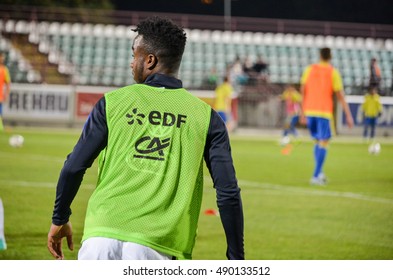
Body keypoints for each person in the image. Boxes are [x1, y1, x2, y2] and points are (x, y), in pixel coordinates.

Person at [47, 16, 244, 260]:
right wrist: (236, 257)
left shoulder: (112, 103)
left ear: (150, 60)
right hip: (158, 245)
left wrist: (60, 218)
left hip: (99, 239)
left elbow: (73, 167)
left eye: (134, 55)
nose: (131, 63)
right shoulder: (206, 117)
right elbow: (228, 192)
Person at [300, 47, 354, 186]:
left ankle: (320, 172)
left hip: (310, 111)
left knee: (318, 142)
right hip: (323, 112)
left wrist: (302, 111)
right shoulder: (332, 72)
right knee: (324, 142)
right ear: (330, 56)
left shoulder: (309, 69)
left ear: (319, 55)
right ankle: (316, 175)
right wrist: (348, 115)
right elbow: (340, 95)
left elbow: (303, 90)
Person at [0, 52, 11, 132]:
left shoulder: (4, 69)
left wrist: (6, 94)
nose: (2, 59)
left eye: (3, 57)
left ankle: (1, 127)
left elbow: (8, 83)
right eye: (1, 57)